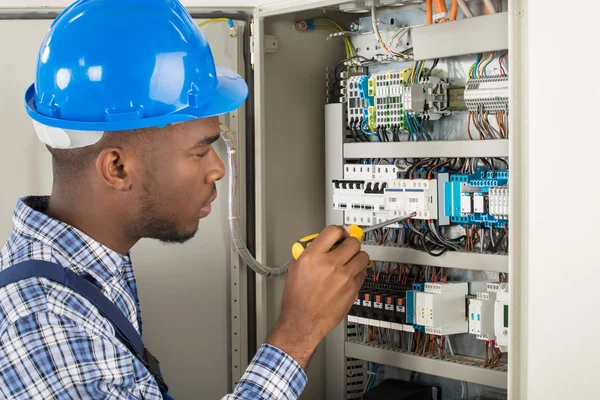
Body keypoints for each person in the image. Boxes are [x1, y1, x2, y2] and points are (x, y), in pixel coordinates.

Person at [0, 0, 368, 398]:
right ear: (117, 168)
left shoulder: (84, 269)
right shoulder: (46, 323)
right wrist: (299, 331)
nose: (217, 169)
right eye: (199, 151)